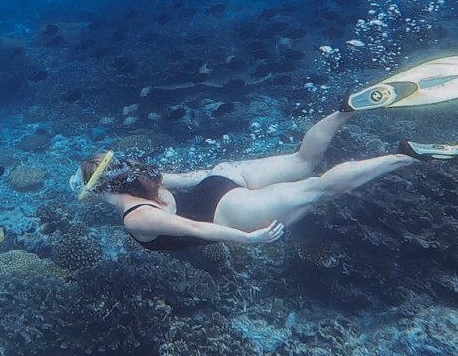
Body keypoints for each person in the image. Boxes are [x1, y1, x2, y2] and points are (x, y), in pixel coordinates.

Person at [70, 111, 455, 253]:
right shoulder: (146, 179)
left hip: (228, 210)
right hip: (224, 175)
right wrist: (219, 176)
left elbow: (195, 228)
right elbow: (193, 178)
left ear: (97, 191)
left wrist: (249, 240)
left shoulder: (134, 217)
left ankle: (406, 155)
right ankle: (344, 109)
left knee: (317, 189)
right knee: (303, 161)